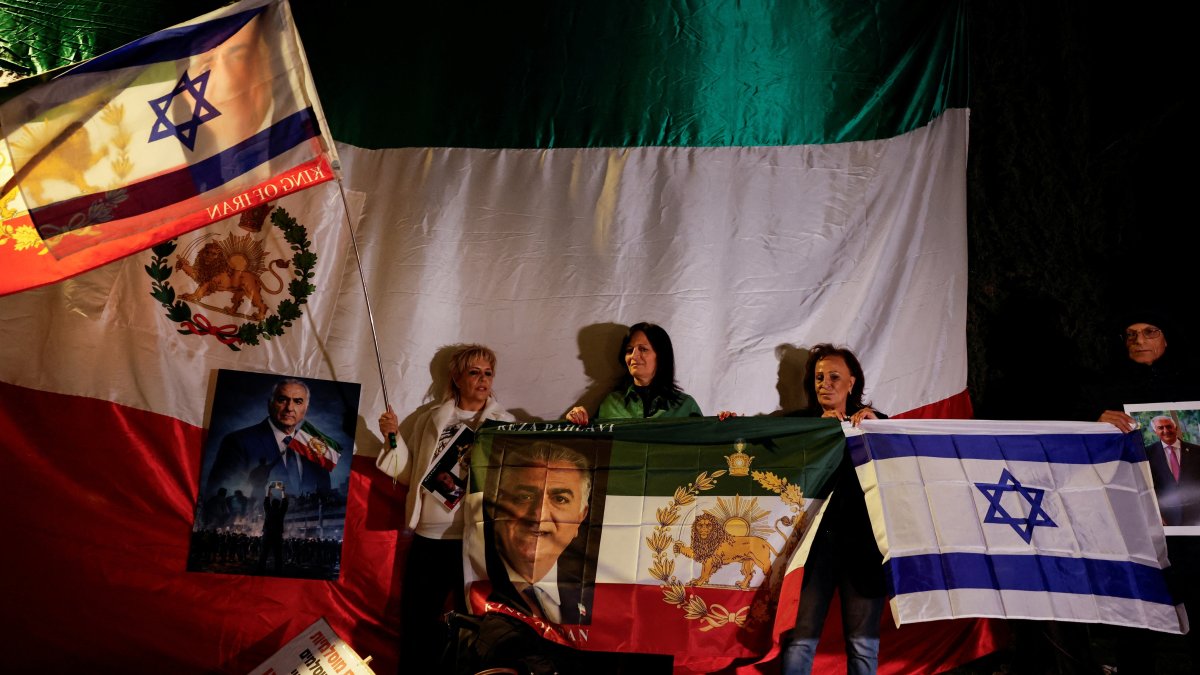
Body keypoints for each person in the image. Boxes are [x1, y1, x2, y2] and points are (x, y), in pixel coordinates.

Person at [376, 344, 515, 674]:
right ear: (456, 376)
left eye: (488, 373)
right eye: (474, 372)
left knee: (477, 626)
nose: (482, 380)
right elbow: (413, 474)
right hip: (430, 536)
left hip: (477, 540)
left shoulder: (506, 423)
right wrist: (392, 437)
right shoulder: (430, 419)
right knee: (418, 621)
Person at [1093, 311, 1200, 674]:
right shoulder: (1105, 391)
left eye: (1149, 332)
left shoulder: (1193, 384)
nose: (1139, 340)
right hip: (1134, 522)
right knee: (1137, 613)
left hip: (1192, 527)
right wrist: (1095, 422)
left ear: (1167, 338)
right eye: (1130, 334)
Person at [781, 344, 885, 675]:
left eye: (834, 377)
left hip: (863, 551)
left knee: (862, 646)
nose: (825, 383)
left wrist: (882, 427)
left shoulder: (874, 424)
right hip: (813, 551)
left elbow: (910, 457)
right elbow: (758, 438)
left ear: (852, 382)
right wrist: (727, 422)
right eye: (819, 377)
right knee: (800, 640)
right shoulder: (801, 424)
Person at [486, 441, 593, 624]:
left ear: (580, 517)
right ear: (499, 506)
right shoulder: (466, 582)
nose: (539, 515)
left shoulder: (596, 601)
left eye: (560, 499)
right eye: (524, 497)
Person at [208, 378, 331, 500]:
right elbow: (220, 493)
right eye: (282, 400)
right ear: (270, 404)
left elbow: (325, 494)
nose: (289, 408)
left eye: (298, 402)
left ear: (305, 409)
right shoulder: (237, 442)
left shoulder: (316, 446)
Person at [565, 322, 701, 424]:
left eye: (643, 349)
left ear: (661, 356)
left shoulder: (686, 406)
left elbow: (706, 448)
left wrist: (721, 424)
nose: (633, 356)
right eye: (629, 350)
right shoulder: (611, 403)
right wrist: (576, 419)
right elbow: (593, 446)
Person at [1146, 415, 1200, 526]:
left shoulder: (1197, 451)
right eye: (1161, 428)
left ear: (1175, 428)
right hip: (1166, 517)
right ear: (1155, 431)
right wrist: (1156, 515)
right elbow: (1147, 487)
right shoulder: (1147, 454)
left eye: (1169, 427)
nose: (1166, 431)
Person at [257, 490, 288, 574]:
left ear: (272, 504)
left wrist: (268, 491)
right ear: (278, 505)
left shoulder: (268, 511)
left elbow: (266, 502)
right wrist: (283, 491)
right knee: (278, 554)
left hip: (267, 534)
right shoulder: (281, 512)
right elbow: (285, 503)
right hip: (277, 535)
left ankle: (260, 569)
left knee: (263, 553)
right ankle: (278, 570)